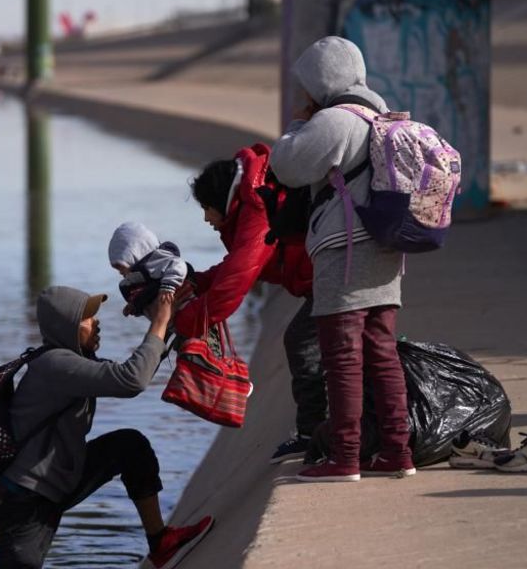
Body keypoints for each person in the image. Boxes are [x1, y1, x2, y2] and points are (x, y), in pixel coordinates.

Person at [269, 36, 414, 482]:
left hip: (344, 252)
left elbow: (287, 167)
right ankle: (397, 452)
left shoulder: (335, 120)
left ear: (322, 79)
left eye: (307, 85)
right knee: (382, 354)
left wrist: (296, 126)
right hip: (386, 247)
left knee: (342, 357)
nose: (304, 96)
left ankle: (345, 457)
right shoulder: (379, 113)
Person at [0, 285, 213, 569]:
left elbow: (135, 373)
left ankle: (160, 543)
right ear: (66, 326)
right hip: (24, 500)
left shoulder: (74, 362)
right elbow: (131, 380)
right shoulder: (56, 364)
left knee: (130, 446)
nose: (97, 323)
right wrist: (158, 322)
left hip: (59, 480)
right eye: (86, 318)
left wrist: (166, 322)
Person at [174, 143, 321, 463]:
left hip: (334, 275)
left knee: (301, 341)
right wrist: (198, 282)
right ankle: (332, 428)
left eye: (205, 208)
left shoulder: (255, 210)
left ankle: (314, 434)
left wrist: (182, 322)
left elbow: (236, 281)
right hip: (328, 273)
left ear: (220, 201)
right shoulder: (252, 203)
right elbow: (237, 266)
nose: (205, 218)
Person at [107, 222, 188, 317]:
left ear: (134, 255)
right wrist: (134, 304)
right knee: (125, 286)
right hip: (169, 316)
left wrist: (168, 286)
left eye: (121, 267)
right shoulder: (135, 276)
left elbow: (178, 264)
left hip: (183, 301)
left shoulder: (158, 259)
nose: (120, 273)